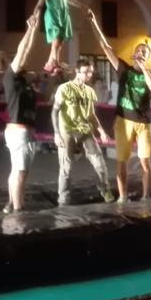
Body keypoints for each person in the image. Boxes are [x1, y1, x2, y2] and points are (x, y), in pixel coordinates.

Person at [86, 9, 151, 204]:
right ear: (134, 53)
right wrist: (94, 23)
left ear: (147, 57)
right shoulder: (123, 69)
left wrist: (143, 67)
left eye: (145, 52)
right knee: (122, 162)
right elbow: (105, 47)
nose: (142, 53)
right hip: (124, 121)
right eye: (139, 50)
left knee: (145, 162)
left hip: (144, 122)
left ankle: (146, 196)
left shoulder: (149, 75)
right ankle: (123, 196)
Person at [0, 16, 41, 213]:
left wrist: (33, 30)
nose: (16, 58)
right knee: (21, 173)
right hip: (20, 132)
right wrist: (30, 29)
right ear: (5, 62)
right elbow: (23, 50)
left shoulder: (17, 78)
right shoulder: (10, 75)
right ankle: (19, 210)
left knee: (16, 170)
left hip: (18, 131)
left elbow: (26, 51)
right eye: (9, 57)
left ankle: (11, 203)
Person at [52, 59, 115, 206]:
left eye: (91, 72)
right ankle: (63, 196)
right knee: (66, 166)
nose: (89, 75)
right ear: (77, 71)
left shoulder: (89, 91)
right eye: (86, 72)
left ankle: (105, 189)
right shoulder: (65, 88)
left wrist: (102, 131)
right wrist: (56, 133)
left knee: (99, 162)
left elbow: (91, 115)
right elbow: (54, 111)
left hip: (85, 131)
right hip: (67, 130)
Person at [30, 0, 87, 75]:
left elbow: (70, 0)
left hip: (63, 17)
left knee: (59, 42)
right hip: (52, 17)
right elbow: (39, 5)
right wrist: (34, 15)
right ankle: (54, 61)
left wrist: (82, 6)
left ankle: (50, 63)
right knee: (56, 40)